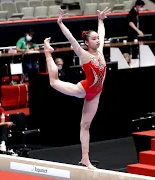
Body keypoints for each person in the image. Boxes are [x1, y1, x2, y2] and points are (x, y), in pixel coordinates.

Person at [44, 7, 110, 169]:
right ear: (87, 42)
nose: (97, 40)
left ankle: (85, 158)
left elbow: (102, 33)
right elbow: (71, 38)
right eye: (93, 39)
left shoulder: (100, 52)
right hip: (84, 90)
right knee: (53, 82)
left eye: (97, 39)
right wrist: (60, 23)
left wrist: (100, 19)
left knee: (85, 125)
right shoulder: (83, 54)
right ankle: (47, 52)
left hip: (96, 93)